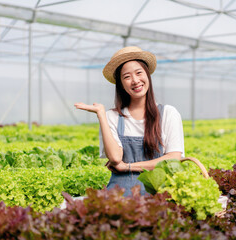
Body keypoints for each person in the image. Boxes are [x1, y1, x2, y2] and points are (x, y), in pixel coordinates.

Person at [74, 46, 184, 196]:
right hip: (120, 196)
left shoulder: (168, 114)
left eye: (139, 73)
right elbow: (115, 157)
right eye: (127, 77)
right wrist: (101, 115)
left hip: (159, 195)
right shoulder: (112, 117)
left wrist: (127, 167)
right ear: (121, 84)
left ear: (147, 75)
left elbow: (173, 159)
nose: (135, 81)